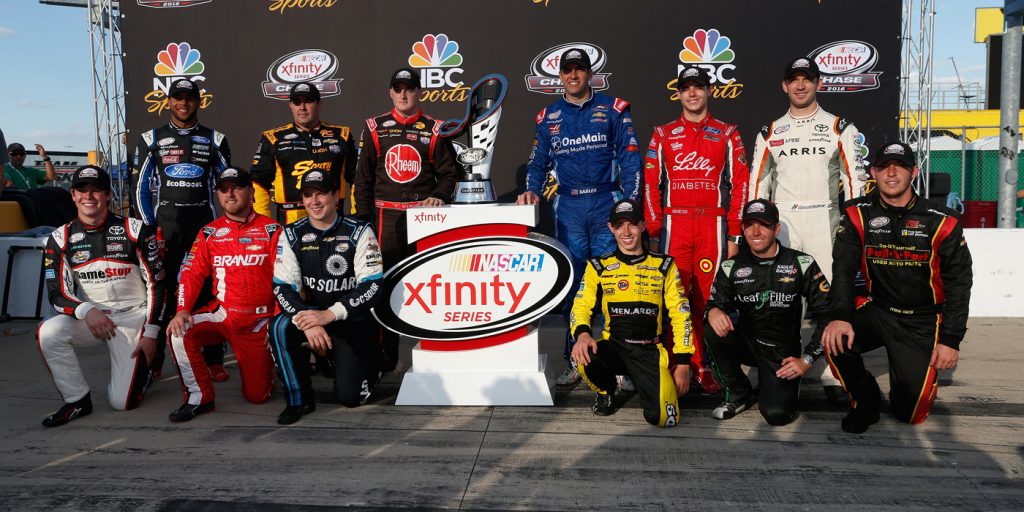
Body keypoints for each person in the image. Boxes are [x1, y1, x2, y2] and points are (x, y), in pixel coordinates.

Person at [822, 142, 973, 433]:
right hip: (879, 311)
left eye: (900, 166)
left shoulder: (943, 221)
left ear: (914, 172)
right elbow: (842, 271)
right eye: (884, 167)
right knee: (833, 336)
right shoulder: (857, 214)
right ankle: (865, 399)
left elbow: (960, 284)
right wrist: (840, 315)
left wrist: (950, 340)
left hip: (924, 321)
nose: (892, 173)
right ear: (873, 173)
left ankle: (909, 375)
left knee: (909, 414)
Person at [516, 48, 643, 386]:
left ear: (590, 74)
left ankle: (619, 363)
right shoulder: (548, 116)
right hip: (569, 209)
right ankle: (575, 360)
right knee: (575, 288)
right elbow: (538, 161)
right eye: (567, 70)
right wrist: (531, 188)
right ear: (560, 76)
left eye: (579, 70)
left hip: (606, 205)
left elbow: (631, 160)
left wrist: (630, 206)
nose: (573, 76)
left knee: (615, 285)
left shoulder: (613, 109)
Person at [748, 57, 867, 402]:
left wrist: (855, 227)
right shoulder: (769, 132)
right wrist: (758, 229)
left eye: (807, 79)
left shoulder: (839, 127)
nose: (801, 86)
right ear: (784, 86)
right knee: (779, 302)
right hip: (782, 224)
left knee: (830, 302)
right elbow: (758, 186)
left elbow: (855, 181)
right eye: (794, 80)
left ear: (818, 84)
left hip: (824, 221)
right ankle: (776, 368)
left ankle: (833, 373)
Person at [643, 66, 750, 395]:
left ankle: (704, 366)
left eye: (698, 87)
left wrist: (734, 233)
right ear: (677, 94)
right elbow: (650, 184)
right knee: (675, 298)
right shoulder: (662, 134)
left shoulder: (728, 132)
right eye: (686, 88)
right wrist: (655, 228)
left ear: (709, 91)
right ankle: (679, 363)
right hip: (675, 225)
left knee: (707, 300)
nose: (692, 93)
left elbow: (741, 184)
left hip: (712, 225)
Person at [36, 165, 165, 427]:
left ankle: (149, 365)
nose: (89, 196)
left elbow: (158, 284)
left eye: (96, 190)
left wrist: (152, 333)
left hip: (133, 318)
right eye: (82, 190)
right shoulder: (59, 238)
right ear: (72, 195)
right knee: (48, 332)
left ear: (108, 195)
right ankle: (76, 400)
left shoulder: (135, 229)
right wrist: (86, 310)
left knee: (122, 403)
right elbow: (56, 293)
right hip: (93, 319)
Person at [351, 67, 457, 371]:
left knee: (430, 283)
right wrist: (361, 221)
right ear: (390, 92)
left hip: (424, 217)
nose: (403, 94)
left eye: (409, 88)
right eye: (397, 88)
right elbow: (363, 179)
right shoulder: (374, 127)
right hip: (385, 217)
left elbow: (450, 174)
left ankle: (436, 348)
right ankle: (386, 357)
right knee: (382, 286)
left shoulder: (435, 129)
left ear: (419, 91)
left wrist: (439, 195)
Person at [132, 77, 230, 379]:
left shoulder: (215, 139)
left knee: (208, 289)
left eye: (189, 98)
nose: (183, 103)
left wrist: (220, 229)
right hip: (166, 230)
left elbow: (226, 188)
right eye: (177, 97)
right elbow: (140, 190)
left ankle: (213, 356)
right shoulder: (151, 138)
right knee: (162, 291)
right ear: (169, 101)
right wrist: (150, 229)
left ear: (198, 102)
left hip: (203, 229)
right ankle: (158, 354)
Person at [165, 167, 281, 422]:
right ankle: (200, 398)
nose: (230, 194)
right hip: (224, 315)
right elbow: (191, 274)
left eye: (237, 187)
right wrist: (182, 310)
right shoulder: (209, 233)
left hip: (260, 322)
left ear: (250, 192)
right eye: (223, 189)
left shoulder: (273, 230)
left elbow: (286, 281)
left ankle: (271, 363)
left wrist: (276, 322)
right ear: (217, 194)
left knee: (258, 397)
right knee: (179, 332)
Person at [271, 169, 384, 424]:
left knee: (351, 398)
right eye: (308, 195)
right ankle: (299, 399)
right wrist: (307, 321)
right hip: (313, 317)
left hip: (351, 319)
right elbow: (282, 287)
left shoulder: (359, 230)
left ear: (335, 196)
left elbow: (373, 286)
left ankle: (369, 361)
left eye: (321, 194)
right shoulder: (291, 234)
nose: (314, 201)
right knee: (279, 326)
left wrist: (329, 314)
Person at [704, 199, 830, 425]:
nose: (755, 231)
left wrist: (806, 360)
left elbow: (828, 315)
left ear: (776, 228)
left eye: (763, 224)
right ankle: (738, 392)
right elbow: (713, 303)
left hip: (782, 353)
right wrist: (713, 310)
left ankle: (775, 384)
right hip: (748, 343)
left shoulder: (800, 262)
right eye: (750, 225)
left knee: (777, 415)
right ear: (742, 229)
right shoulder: (732, 265)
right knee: (712, 328)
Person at [569, 199, 692, 426]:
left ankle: (640, 380)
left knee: (664, 419)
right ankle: (606, 390)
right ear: (611, 228)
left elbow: (680, 312)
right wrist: (583, 334)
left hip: (649, 352)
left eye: (632, 224)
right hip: (614, 347)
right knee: (584, 353)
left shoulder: (664, 265)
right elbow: (581, 305)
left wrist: (683, 363)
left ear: (643, 226)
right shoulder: (598, 266)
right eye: (619, 225)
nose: (626, 231)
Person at [251, 81, 357, 225]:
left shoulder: (342, 135)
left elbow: (358, 179)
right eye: (297, 102)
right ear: (290, 105)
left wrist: (357, 216)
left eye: (308, 101)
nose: (302, 107)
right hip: (290, 224)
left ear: (319, 104)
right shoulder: (273, 138)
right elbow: (258, 183)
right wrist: (263, 223)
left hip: (333, 223)